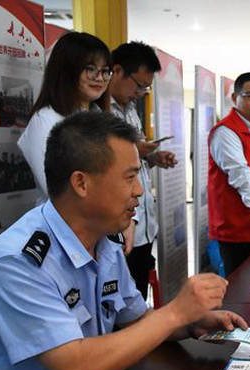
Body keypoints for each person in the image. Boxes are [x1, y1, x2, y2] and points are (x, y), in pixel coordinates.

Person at [0, 112, 246, 370]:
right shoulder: (18, 261)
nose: (139, 190)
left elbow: (135, 320)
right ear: (81, 183)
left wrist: (190, 323)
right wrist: (175, 313)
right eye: (129, 177)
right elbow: (76, 369)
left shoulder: (104, 243)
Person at [108, 41, 177, 299]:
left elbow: (133, 164)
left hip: (144, 229)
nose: (140, 93)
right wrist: (135, 150)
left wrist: (152, 157)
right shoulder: (99, 113)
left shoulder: (131, 111)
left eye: (146, 88)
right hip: (122, 230)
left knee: (138, 297)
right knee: (121, 303)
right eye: (138, 85)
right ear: (117, 71)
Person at [17, 32, 112, 203]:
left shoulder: (101, 118)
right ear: (67, 70)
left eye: (105, 71)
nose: (99, 78)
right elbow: (59, 191)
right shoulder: (45, 120)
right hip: (72, 217)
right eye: (91, 69)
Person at [208, 72, 250, 276]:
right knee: (241, 287)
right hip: (237, 230)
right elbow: (240, 176)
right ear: (234, 98)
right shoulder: (226, 132)